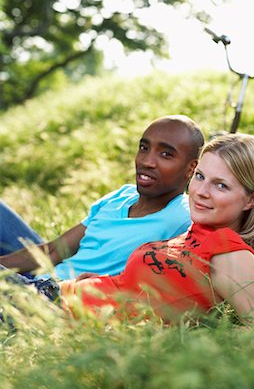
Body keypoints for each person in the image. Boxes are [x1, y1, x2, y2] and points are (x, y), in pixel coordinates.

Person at [61, 134, 254, 322]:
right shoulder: (194, 232)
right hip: (62, 295)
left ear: (251, 200)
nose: (201, 191)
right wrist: (110, 282)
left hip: (67, 314)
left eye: (220, 185)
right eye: (200, 176)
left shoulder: (229, 250)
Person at [0, 115, 205, 280]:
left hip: (57, 297)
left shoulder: (186, 216)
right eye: (144, 148)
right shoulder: (122, 195)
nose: (147, 161)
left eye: (166, 154)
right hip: (39, 279)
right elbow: (54, 251)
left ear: (191, 168)